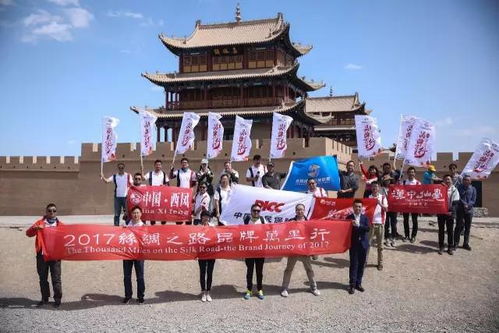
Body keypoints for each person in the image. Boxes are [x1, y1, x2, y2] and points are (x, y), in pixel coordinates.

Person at [26, 203, 64, 308]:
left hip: (55, 256)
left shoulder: (61, 225)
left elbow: (67, 238)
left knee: (56, 278)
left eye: (54, 211)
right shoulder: (40, 223)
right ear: (46, 212)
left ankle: (57, 299)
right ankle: (44, 299)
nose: (52, 213)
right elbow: (28, 233)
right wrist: (35, 229)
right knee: (43, 278)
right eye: (49, 211)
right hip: (42, 255)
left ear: (56, 212)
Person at [280, 204, 320, 297]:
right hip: (293, 249)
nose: (299, 211)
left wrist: (314, 251)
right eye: (298, 210)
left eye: (301, 210)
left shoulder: (309, 222)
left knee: (309, 269)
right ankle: (284, 288)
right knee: (289, 269)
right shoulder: (291, 221)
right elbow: (285, 234)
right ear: (295, 211)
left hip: (305, 250)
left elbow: (313, 237)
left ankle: (314, 287)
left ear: (304, 210)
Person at [243, 203, 266, 300]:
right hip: (249, 250)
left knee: (259, 271)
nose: (256, 212)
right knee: (250, 271)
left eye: (258, 211)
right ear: (251, 211)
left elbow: (269, 232)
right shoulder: (246, 220)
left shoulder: (263, 220)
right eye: (254, 210)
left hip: (260, 250)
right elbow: (241, 234)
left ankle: (259, 289)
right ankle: (249, 290)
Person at [123, 206, 145, 304]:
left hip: (139, 255)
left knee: (140, 276)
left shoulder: (144, 226)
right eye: (134, 213)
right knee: (127, 276)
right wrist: (123, 229)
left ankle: (140, 296)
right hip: (127, 254)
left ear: (141, 214)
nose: (136, 215)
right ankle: (128, 296)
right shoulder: (126, 225)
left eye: (137, 213)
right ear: (131, 215)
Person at [347, 199, 370, 294]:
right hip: (354, 244)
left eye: (360, 206)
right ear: (353, 207)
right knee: (354, 265)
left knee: (361, 265)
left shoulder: (365, 218)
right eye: (356, 206)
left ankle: (358, 283)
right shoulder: (349, 217)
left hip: (363, 245)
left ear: (362, 208)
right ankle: (352, 284)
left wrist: (359, 225)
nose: (358, 208)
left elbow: (367, 228)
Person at [101, 162, 133, 226]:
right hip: (117, 198)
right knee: (116, 214)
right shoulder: (115, 176)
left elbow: (132, 184)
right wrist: (103, 176)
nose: (121, 169)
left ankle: (129, 226)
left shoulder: (128, 175)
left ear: (124, 168)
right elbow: (107, 181)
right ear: (118, 168)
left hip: (126, 197)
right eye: (119, 168)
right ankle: (116, 227)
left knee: (127, 213)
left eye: (122, 168)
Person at [437, 174, 460, 255]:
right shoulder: (440, 189)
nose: (447, 181)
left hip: (450, 212)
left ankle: (450, 247)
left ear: (451, 180)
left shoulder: (454, 190)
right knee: (441, 230)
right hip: (441, 212)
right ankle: (441, 246)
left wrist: (451, 212)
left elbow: (455, 203)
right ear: (443, 180)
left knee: (450, 231)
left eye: (449, 179)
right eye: (446, 179)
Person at [367, 182, 388, 271]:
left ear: (379, 188)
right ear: (371, 188)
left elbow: (386, 209)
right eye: (373, 187)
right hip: (371, 224)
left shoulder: (383, 197)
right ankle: (364, 261)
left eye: (376, 186)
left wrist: (379, 203)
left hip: (380, 224)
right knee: (367, 245)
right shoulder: (368, 197)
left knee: (380, 246)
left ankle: (380, 263)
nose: (375, 188)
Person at [143, 159, 169, 225]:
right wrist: (142, 170)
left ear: (161, 166)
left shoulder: (164, 174)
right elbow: (143, 179)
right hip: (152, 196)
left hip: (161, 196)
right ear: (154, 165)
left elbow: (168, 184)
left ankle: (162, 226)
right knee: (153, 212)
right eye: (157, 165)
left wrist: (164, 185)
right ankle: (153, 225)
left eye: (159, 165)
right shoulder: (150, 173)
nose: (158, 166)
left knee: (162, 211)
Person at [198, 211, 216, 302]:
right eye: (204, 216)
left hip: (212, 253)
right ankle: (203, 292)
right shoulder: (197, 227)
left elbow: (216, 237)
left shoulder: (212, 226)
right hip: (201, 253)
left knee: (209, 272)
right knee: (202, 272)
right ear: (201, 218)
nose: (205, 218)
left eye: (207, 217)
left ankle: (208, 292)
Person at [454, 175, 476, 251]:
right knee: (458, 227)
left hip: (469, 211)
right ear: (463, 181)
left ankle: (465, 243)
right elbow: (458, 198)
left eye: (468, 180)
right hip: (460, 209)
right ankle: (456, 243)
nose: (466, 181)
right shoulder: (458, 188)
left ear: (470, 181)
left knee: (467, 228)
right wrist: (464, 204)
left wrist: (468, 205)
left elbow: (473, 199)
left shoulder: (473, 189)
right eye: (465, 180)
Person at [401, 167, 421, 243]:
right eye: (409, 172)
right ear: (407, 173)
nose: (411, 173)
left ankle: (413, 236)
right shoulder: (404, 182)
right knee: (405, 220)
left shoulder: (418, 183)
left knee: (414, 221)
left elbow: (420, 194)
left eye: (412, 172)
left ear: (414, 173)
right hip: (405, 204)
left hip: (414, 205)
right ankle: (406, 235)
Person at [381, 175, 397, 247]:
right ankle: (386, 238)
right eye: (386, 180)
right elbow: (380, 198)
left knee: (393, 224)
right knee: (386, 224)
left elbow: (397, 197)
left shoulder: (393, 188)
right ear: (384, 181)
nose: (388, 181)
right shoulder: (381, 189)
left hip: (393, 208)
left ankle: (393, 238)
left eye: (389, 180)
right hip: (385, 208)